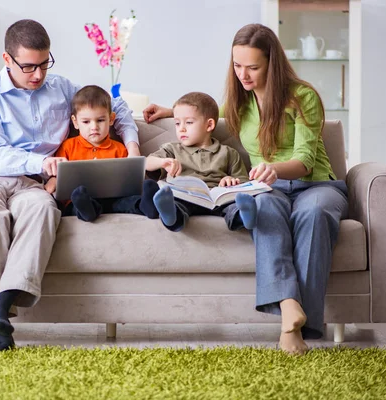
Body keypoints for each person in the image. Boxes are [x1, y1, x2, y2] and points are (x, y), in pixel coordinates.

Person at [143, 24, 348, 355]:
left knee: (314, 213)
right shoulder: (241, 101)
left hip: (315, 183)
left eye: (253, 67)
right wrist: (170, 111)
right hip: (268, 187)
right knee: (264, 209)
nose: (243, 74)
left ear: (272, 63)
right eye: (238, 66)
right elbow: (211, 113)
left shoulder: (302, 97)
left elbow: (306, 160)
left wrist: (273, 168)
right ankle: (288, 306)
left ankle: (300, 326)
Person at [0, 19, 140, 351]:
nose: (38, 75)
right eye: (28, 67)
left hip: (34, 185)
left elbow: (117, 106)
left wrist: (133, 146)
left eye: (44, 64)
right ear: (7, 59)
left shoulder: (61, 87)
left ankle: (0, 310)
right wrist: (42, 162)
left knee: (42, 210)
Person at [44, 85, 159, 221]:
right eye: (86, 122)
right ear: (75, 122)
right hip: (80, 201)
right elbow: (57, 173)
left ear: (111, 119)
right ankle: (87, 210)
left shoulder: (120, 149)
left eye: (100, 120)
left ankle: (146, 205)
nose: (94, 127)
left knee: (129, 201)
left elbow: (130, 179)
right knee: (77, 203)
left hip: (114, 199)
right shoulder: (68, 147)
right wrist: (53, 179)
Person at [145, 92, 249, 232]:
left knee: (233, 205)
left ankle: (244, 215)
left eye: (188, 122)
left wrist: (231, 180)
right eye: (177, 123)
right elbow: (146, 163)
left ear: (209, 125)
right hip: (186, 196)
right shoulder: (173, 149)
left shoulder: (228, 153)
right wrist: (163, 162)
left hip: (218, 198)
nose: (181, 128)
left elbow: (244, 183)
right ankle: (170, 216)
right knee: (177, 203)